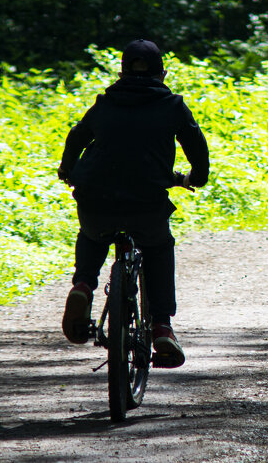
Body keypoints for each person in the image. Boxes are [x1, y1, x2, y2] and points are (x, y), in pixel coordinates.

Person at [56, 38, 208, 368]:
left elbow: (77, 136)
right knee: (158, 247)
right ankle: (162, 326)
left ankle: (83, 285)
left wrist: (68, 170)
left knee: (93, 235)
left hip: (96, 197)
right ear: (162, 74)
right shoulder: (172, 106)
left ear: (123, 72)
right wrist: (197, 176)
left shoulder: (105, 104)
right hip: (146, 203)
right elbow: (196, 143)